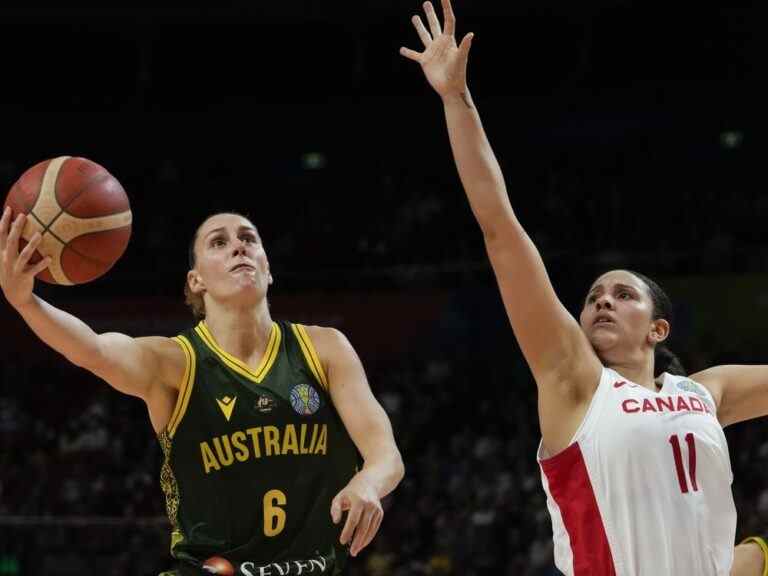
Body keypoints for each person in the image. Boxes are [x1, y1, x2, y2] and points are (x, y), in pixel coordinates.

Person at [400, 1, 767, 574]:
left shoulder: (705, 393)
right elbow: (501, 230)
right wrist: (457, 100)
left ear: (657, 327)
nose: (602, 300)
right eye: (594, 295)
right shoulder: (575, 383)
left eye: (623, 295)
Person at [0, 208, 404, 575]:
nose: (238, 247)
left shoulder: (324, 348)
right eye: (219, 242)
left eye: (249, 238)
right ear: (196, 280)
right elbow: (93, 349)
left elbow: (385, 454)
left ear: (268, 268)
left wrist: (368, 482)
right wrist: (25, 301)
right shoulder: (174, 362)